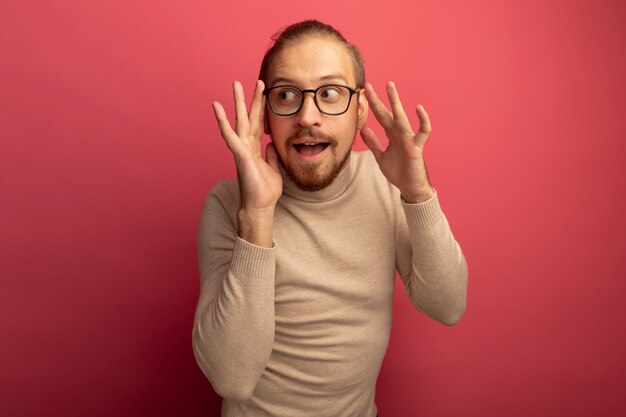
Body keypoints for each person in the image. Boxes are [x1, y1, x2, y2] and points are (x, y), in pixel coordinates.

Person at [193, 19, 468, 417]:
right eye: (287, 94)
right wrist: (257, 215)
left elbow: (448, 306)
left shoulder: (386, 185)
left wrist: (418, 194)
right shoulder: (226, 203)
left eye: (330, 93)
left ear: (359, 111)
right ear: (267, 115)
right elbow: (231, 378)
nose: (308, 116)